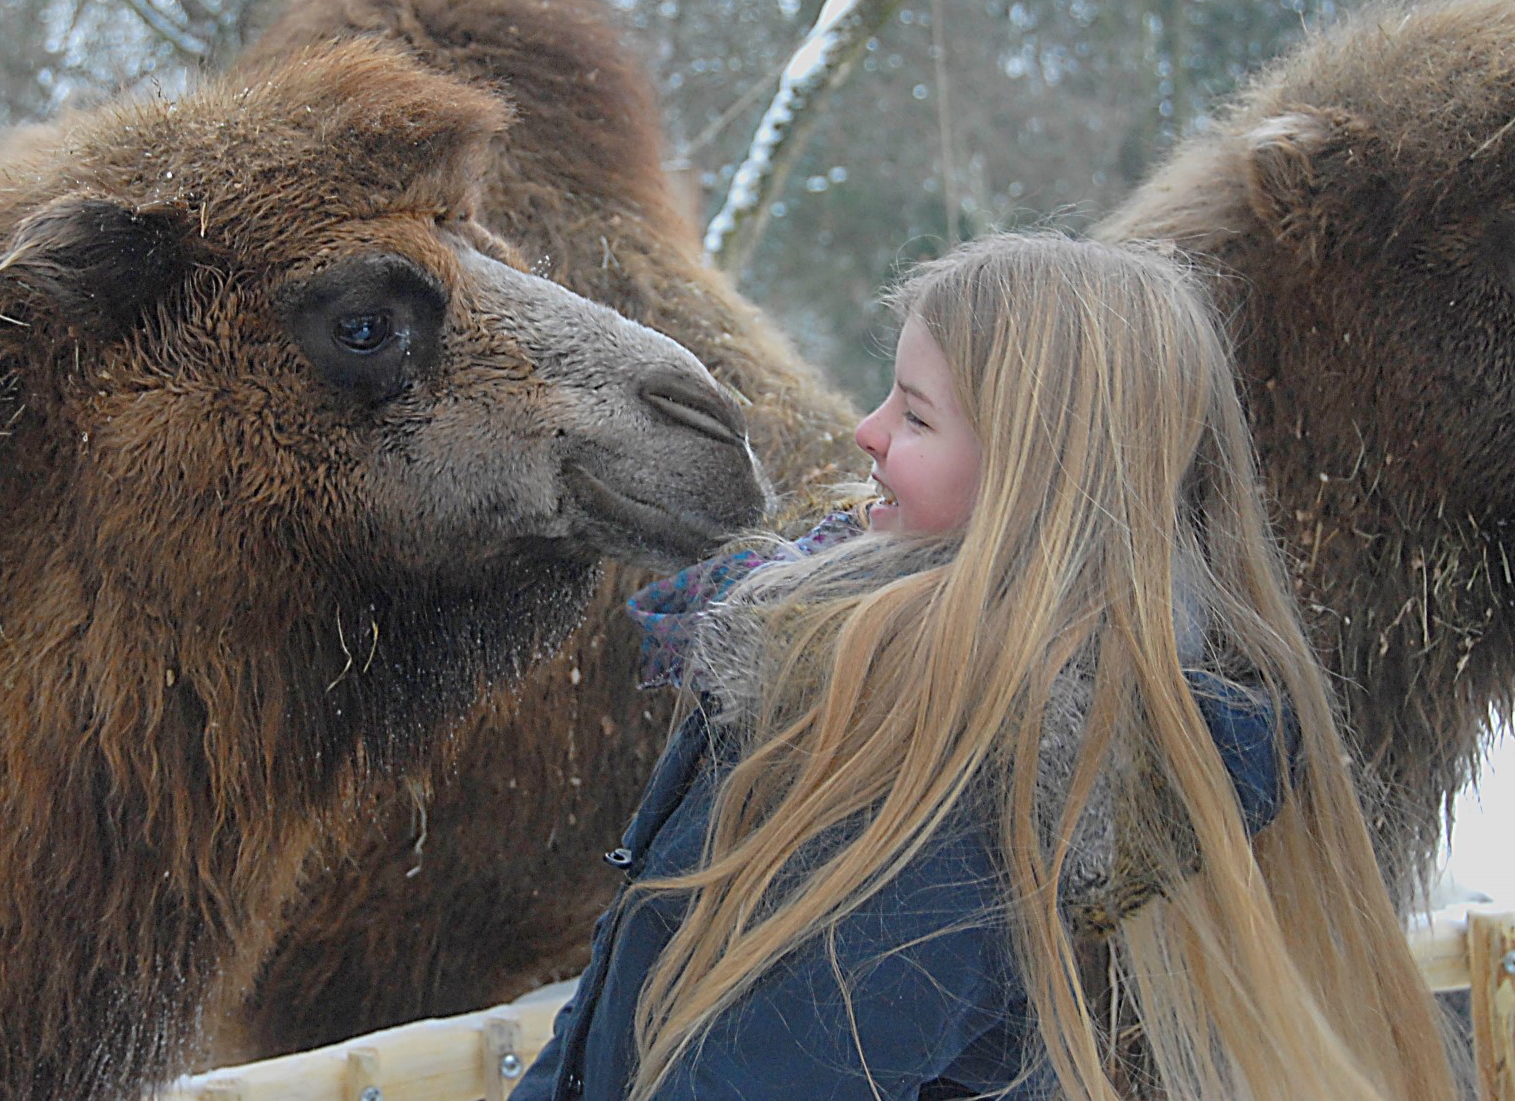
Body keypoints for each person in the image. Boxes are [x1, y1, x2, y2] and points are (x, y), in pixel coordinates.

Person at [512, 233, 1457, 1101]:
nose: (865, 432)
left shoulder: (950, 777)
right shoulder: (832, 662)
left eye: (916, 416)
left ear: (1032, 480)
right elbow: (620, 985)